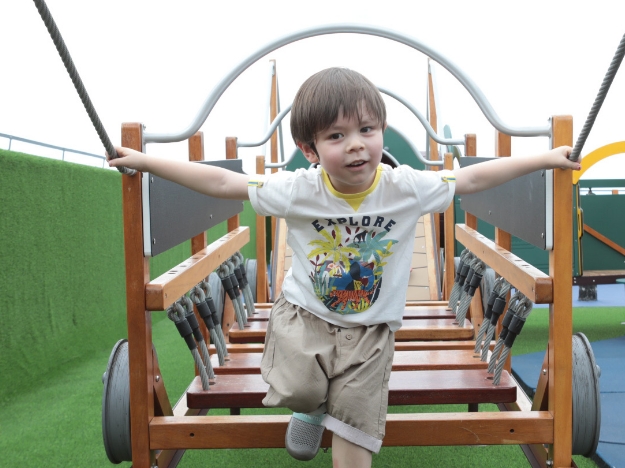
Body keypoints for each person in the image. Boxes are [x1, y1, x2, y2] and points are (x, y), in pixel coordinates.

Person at [109, 67, 581, 467]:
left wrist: (545, 157)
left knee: (356, 425)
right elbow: (219, 182)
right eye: (337, 136)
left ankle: (329, 411)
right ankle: (310, 408)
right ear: (311, 149)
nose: (356, 145)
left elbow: (473, 176)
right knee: (297, 389)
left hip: (371, 331)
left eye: (366, 130)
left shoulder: (405, 187)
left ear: (380, 131)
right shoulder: (298, 189)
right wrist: (147, 162)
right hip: (304, 317)